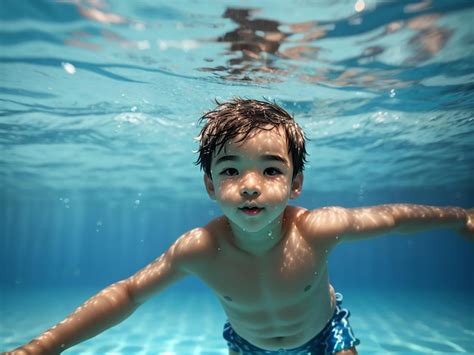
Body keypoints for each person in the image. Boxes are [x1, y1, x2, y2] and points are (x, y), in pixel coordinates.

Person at [6, 98, 473, 355]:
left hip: (325, 338)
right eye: (231, 171)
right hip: (247, 348)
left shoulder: (318, 229)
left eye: (271, 170)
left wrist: (461, 219)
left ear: (296, 184)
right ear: (210, 186)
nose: (250, 187)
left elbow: (394, 219)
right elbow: (128, 294)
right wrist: (45, 347)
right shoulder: (198, 249)